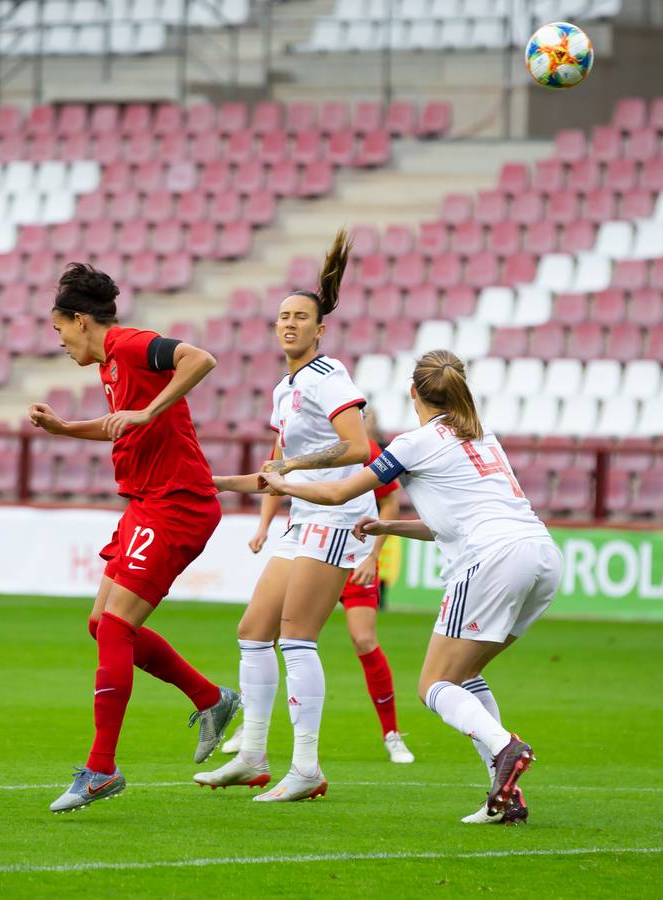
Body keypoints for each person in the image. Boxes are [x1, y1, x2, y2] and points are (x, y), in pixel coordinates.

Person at [222, 350, 559, 824]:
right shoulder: (484, 438)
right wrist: (387, 529)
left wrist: (285, 481)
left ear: (412, 391)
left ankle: (507, 748)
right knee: (465, 675)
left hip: (491, 559)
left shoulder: (412, 443)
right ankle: (505, 797)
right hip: (541, 554)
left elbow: (340, 492)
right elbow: (451, 523)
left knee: (434, 685)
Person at [27, 262, 240, 813]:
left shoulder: (128, 343)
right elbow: (120, 422)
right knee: (102, 625)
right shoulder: (109, 364)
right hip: (148, 500)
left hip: (177, 503)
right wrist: (66, 428)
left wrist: (149, 408)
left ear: (79, 320)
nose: (59, 341)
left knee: (117, 626)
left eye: (58, 330)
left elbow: (200, 359)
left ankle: (101, 769)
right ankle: (210, 698)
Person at [194, 229, 397, 801]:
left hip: (336, 517)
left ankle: (306, 766)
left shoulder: (330, 376)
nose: (289, 323)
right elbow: (276, 471)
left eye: (300, 317)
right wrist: (204, 481)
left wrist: (293, 469)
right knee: (252, 632)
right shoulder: (285, 388)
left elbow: (358, 449)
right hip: (301, 517)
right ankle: (254, 755)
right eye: (282, 316)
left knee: (296, 638)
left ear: (319, 328)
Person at [220, 406, 415, 765]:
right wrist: (264, 527)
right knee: (263, 633)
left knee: (361, 639)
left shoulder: (365, 451)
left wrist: (373, 556)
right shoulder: (298, 444)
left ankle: (390, 734)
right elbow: (271, 483)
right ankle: (252, 731)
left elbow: (390, 500)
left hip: (348, 552)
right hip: (305, 546)